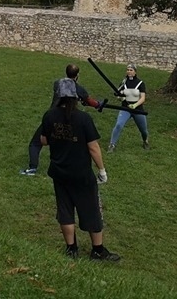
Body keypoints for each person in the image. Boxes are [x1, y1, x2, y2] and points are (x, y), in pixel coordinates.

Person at [40, 78, 119, 261]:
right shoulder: (83, 118)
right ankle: (98, 250)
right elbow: (93, 147)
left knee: (65, 210)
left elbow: (43, 140)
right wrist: (102, 170)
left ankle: (71, 249)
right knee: (91, 209)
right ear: (75, 97)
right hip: (81, 173)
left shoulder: (49, 115)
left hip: (59, 171)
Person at [21, 64, 102, 176]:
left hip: (52, 117)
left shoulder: (57, 83)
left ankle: (32, 168)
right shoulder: (78, 88)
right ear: (77, 75)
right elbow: (88, 100)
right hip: (67, 118)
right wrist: (98, 104)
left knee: (36, 143)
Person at [108, 64, 150, 152]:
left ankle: (145, 141)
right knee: (119, 125)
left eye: (131, 70)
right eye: (127, 70)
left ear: (135, 72)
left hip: (138, 110)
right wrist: (120, 98)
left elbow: (142, 98)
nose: (129, 71)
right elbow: (118, 94)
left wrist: (135, 105)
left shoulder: (140, 83)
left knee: (143, 130)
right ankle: (112, 144)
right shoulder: (124, 82)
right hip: (125, 108)